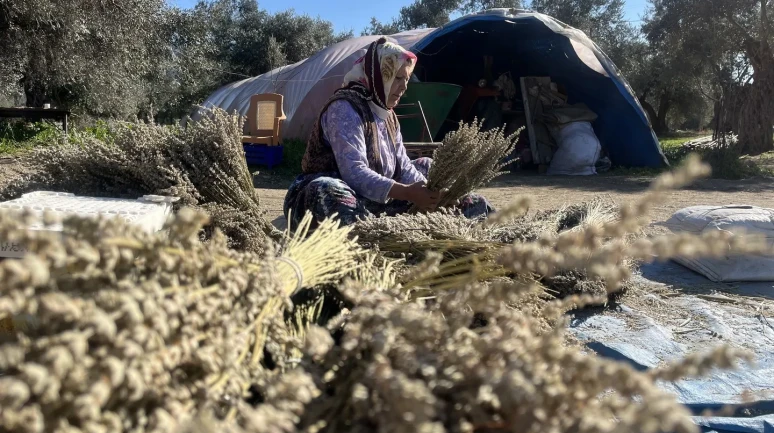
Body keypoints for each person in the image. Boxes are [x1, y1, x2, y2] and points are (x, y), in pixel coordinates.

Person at [283, 37, 495, 230]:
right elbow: (354, 172)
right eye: (396, 78)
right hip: (331, 196)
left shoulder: (388, 114)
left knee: (427, 166)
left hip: (374, 200)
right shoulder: (345, 107)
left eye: (406, 79)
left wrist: (431, 194)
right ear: (379, 76)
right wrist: (407, 193)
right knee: (327, 189)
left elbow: (404, 166)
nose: (403, 87)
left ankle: (466, 214)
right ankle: (371, 233)